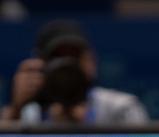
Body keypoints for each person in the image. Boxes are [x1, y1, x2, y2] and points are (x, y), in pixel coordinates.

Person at [1, 20, 148, 125]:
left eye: (74, 57)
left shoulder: (121, 108)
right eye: (57, 57)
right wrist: (15, 110)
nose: (67, 65)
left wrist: (85, 127)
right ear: (39, 64)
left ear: (91, 62)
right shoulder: (27, 114)